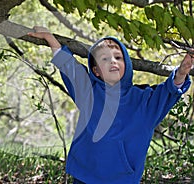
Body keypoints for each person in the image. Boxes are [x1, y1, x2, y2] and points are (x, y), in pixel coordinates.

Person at [28, 26, 193, 184]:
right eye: (105, 59)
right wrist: (49, 37)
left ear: (126, 63)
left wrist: (181, 72)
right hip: (84, 175)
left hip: (122, 178)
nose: (112, 62)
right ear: (96, 70)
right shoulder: (88, 92)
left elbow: (168, 92)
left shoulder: (145, 101)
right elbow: (69, 67)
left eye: (118, 57)